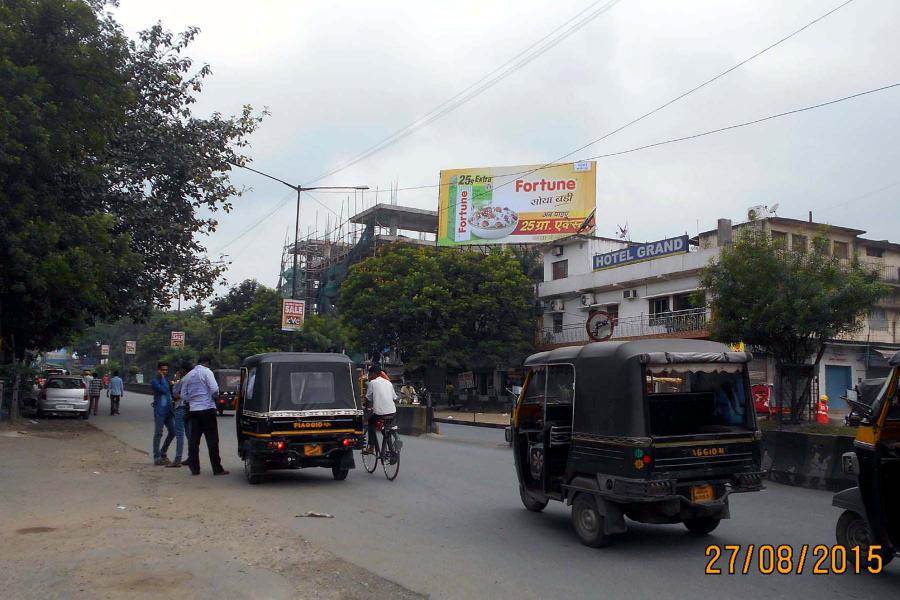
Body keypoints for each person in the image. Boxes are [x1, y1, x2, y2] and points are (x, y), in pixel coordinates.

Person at [182, 355, 228, 476]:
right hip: (207, 409)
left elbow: (183, 395)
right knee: (212, 441)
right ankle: (217, 468)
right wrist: (211, 398)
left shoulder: (188, 376)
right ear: (207, 363)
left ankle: (194, 468)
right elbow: (214, 389)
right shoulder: (207, 372)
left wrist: (193, 401)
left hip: (194, 411)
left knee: (194, 441)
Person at [364, 366, 397, 456]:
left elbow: (368, 398)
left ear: (373, 374)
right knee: (387, 428)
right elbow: (394, 397)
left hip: (380, 413)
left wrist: (367, 409)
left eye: (369, 374)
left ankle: (371, 447)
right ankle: (392, 450)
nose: (369, 376)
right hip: (392, 412)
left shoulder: (372, 383)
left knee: (371, 422)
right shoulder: (388, 383)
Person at [151, 362, 176, 466]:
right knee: (158, 433)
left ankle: (163, 451)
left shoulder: (166, 380)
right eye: (163, 370)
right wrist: (162, 379)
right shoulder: (155, 381)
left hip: (169, 410)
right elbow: (164, 390)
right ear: (158, 370)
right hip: (160, 410)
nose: (165, 372)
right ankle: (157, 456)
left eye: (166, 370)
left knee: (173, 431)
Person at [166, 363, 189, 468]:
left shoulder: (181, 380)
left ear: (182, 371)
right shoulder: (192, 379)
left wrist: (175, 380)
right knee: (190, 434)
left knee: (180, 434)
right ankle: (191, 457)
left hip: (180, 407)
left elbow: (175, 394)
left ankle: (177, 459)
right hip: (190, 408)